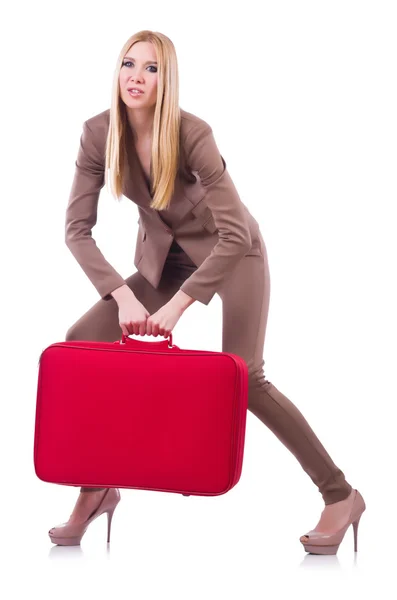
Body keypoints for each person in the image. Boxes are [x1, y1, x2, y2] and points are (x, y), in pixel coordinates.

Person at [48, 30, 366, 553]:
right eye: (129, 64)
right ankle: (97, 487)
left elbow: (236, 231)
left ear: (166, 79)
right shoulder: (97, 133)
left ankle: (340, 494)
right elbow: (76, 230)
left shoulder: (192, 133)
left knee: (245, 378)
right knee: (84, 342)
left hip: (232, 253)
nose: (136, 76)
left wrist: (179, 305)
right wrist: (123, 297)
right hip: (162, 259)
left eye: (151, 68)